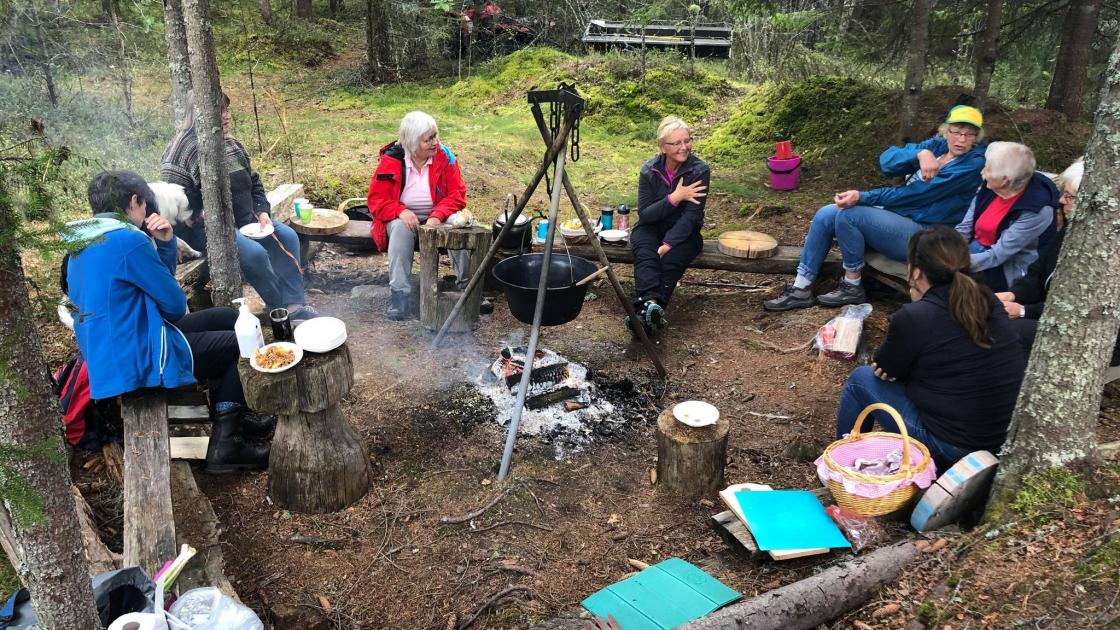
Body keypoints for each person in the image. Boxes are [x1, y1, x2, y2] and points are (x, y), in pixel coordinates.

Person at [63, 171, 269, 473]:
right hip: (138, 361)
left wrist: (165, 244)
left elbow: (155, 291)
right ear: (135, 200)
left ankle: (232, 411)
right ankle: (227, 446)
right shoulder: (127, 240)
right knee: (242, 341)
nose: (148, 211)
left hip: (115, 351)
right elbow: (174, 306)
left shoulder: (81, 241)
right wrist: (162, 246)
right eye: (146, 204)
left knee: (231, 317)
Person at [835, 225, 1025, 471]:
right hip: (998, 441)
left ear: (915, 271)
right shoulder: (987, 299)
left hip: (956, 448)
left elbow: (885, 368)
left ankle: (843, 465)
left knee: (861, 380)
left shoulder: (915, 316)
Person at [765, 105, 987, 311]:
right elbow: (887, 161)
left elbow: (914, 195)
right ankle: (801, 287)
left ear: (976, 138)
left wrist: (863, 197)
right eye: (956, 131)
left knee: (851, 214)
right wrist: (920, 154)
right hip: (901, 218)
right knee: (826, 213)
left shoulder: (972, 164)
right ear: (946, 131)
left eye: (969, 134)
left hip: (928, 235)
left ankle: (852, 285)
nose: (961, 139)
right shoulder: (938, 146)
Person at [160, 91, 316, 321]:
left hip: (246, 219)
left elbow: (254, 182)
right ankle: (278, 308)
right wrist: (194, 219)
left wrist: (262, 211)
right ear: (199, 115)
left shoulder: (231, 143)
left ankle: (294, 305)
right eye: (219, 111)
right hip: (203, 230)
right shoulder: (181, 150)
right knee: (255, 255)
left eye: (227, 110)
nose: (226, 116)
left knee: (288, 236)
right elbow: (171, 202)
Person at [996, 160, 1120, 365]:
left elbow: (1083, 309)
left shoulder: (1109, 251)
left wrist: (1023, 310)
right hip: (1054, 315)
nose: (1062, 200)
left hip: (1094, 333)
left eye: (1071, 196)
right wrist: (1013, 294)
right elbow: (1038, 273)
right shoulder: (1072, 229)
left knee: (1008, 333)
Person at [366, 110, 469, 320]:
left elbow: (457, 195)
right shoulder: (391, 160)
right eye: (428, 139)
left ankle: (468, 287)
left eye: (435, 135)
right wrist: (401, 211)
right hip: (402, 217)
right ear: (412, 143)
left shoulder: (445, 157)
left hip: (438, 213)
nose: (435, 142)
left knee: (459, 226)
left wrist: (437, 216)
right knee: (400, 230)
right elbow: (376, 201)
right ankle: (399, 295)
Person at [627, 115, 709, 334]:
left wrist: (669, 243)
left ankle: (642, 315)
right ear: (663, 147)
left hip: (685, 232)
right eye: (677, 143)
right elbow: (645, 215)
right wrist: (676, 197)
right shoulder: (649, 171)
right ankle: (650, 311)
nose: (684, 147)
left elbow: (691, 216)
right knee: (645, 253)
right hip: (651, 226)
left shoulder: (699, 171)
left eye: (687, 141)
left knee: (669, 261)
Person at [954, 142, 1058, 292]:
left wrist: (953, 263)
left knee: (951, 285)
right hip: (975, 251)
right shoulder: (990, 187)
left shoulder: (1037, 209)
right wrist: (947, 250)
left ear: (1005, 180)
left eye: (988, 169)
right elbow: (964, 228)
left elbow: (998, 255)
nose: (982, 172)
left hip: (1006, 268)